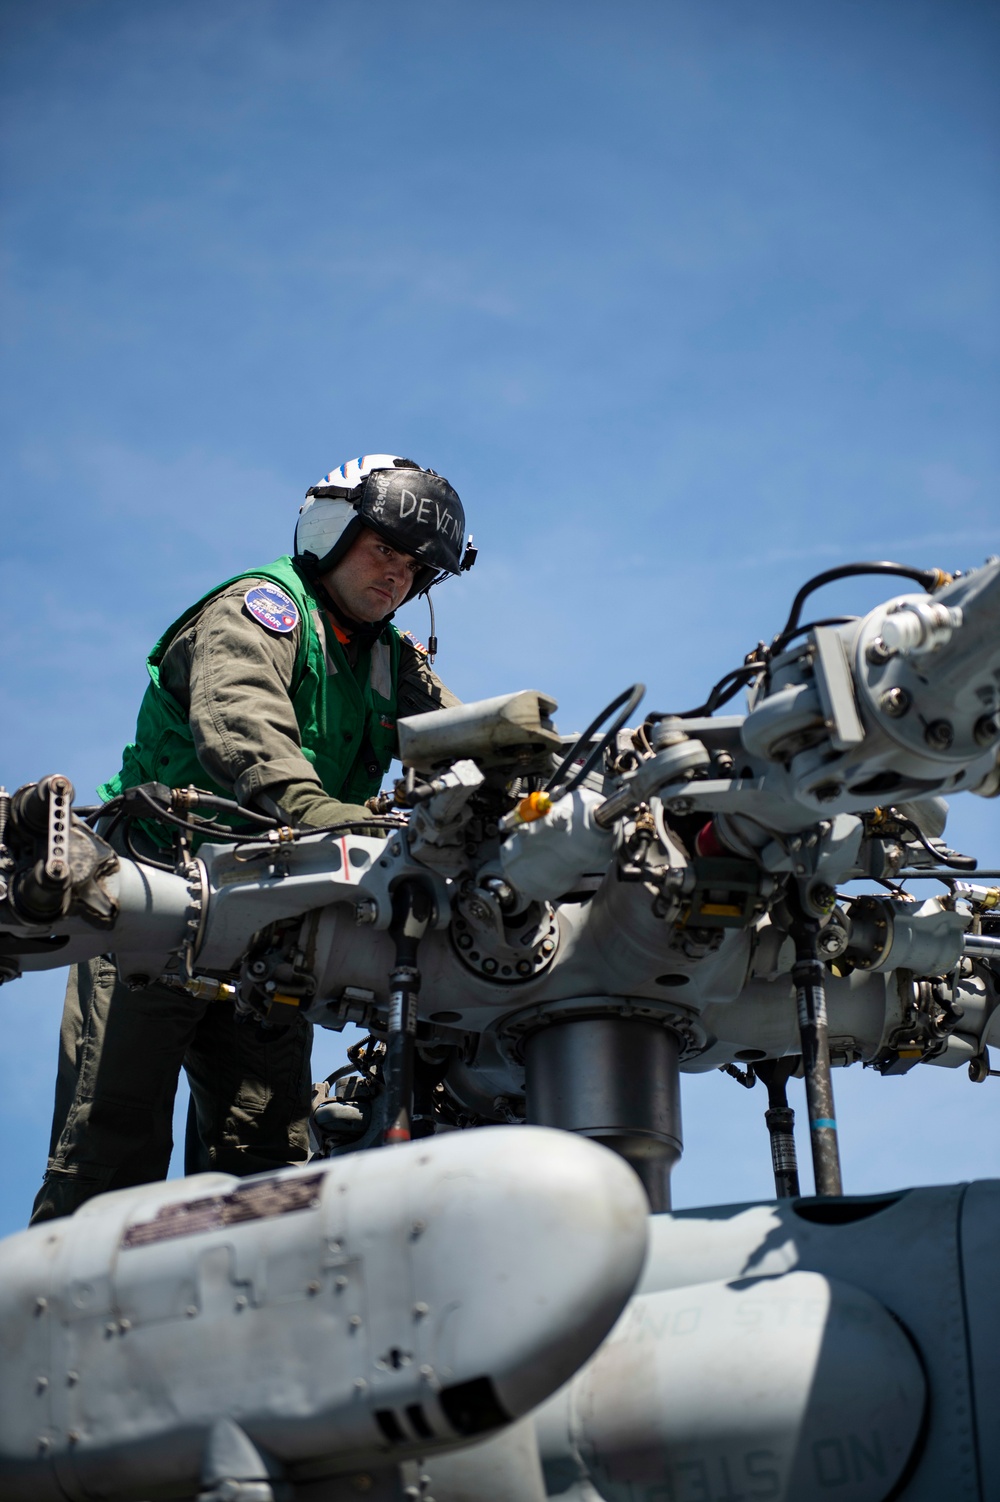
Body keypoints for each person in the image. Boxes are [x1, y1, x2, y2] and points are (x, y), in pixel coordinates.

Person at [31, 455, 474, 1223]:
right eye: (383, 552)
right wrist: (320, 811)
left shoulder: (390, 661)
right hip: (159, 898)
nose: (396, 578)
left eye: (412, 568)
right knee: (109, 1159)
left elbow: (468, 742)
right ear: (333, 535)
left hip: (275, 927)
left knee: (265, 1175)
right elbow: (241, 724)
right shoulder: (262, 609)